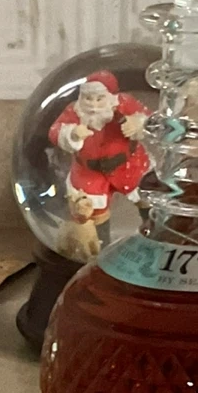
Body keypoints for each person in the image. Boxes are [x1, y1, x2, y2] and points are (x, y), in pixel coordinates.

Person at [48, 70, 150, 258]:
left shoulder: (124, 103)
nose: (93, 105)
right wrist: (72, 133)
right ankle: (102, 251)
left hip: (129, 165)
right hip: (89, 171)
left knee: (146, 197)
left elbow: (149, 118)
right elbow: (55, 131)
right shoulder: (74, 111)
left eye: (99, 99)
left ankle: (153, 239)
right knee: (93, 211)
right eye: (88, 98)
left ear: (110, 96)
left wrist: (138, 123)